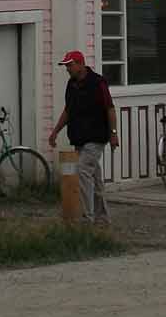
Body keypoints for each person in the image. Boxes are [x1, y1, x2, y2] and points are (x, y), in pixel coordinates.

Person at [48, 49, 117, 225]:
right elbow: (68, 111)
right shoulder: (71, 85)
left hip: (96, 137)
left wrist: (113, 134)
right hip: (79, 138)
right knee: (95, 178)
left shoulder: (98, 83)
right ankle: (102, 219)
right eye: (66, 66)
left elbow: (110, 108)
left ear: (80, 64)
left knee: (82, 170)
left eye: (70, 65)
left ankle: (88, 218)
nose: (67, 69)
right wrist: (56, 131)